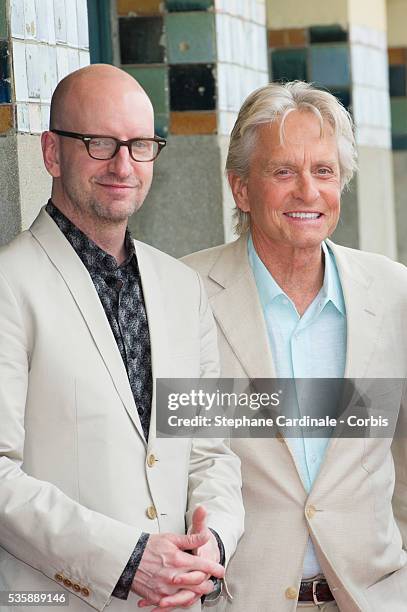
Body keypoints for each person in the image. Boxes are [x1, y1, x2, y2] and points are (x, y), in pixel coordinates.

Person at [0, 64, 244, 612]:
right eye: (99, 143)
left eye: (139, 145)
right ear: (51, 153)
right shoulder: (8, 286)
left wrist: (212, 544)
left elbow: (212, 451)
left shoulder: (183, 288)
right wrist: (132, 561)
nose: (123, 164)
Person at [184, 81, 407, 611]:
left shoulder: (395, 293)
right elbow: (176, 456)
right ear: (241, 189)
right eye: (283, 171)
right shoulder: (182, 293)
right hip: (240, 600)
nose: (307, 191)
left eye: (323, 171)